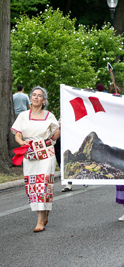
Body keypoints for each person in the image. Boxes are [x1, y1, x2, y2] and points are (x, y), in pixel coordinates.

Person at [11, 86, 60, 232]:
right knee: (32, 186)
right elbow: (17, 134)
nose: (36, 97)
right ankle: (44, 211)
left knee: (43, 183)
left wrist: (58, 131)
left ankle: (39, 221)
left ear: (44, 100)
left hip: (46, 153)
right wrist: (21, 142)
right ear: (30, 98)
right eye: (34, 95)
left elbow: (55, 135)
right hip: (30, 154)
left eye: (39, 96)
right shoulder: (23, 116)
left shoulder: (49, 116)